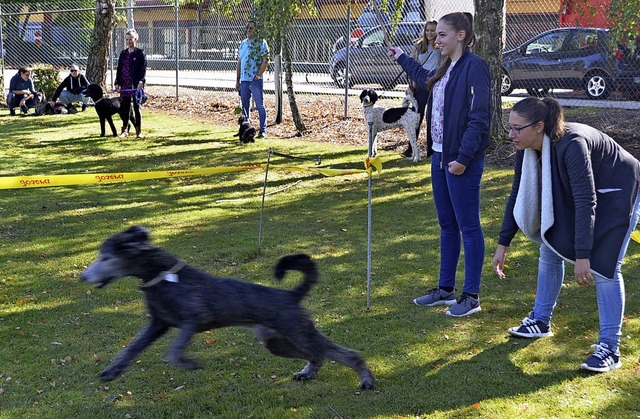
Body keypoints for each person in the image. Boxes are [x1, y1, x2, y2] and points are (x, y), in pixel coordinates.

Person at [492, 96, 640, 372]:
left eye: (516, 128)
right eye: (508, 127)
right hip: (589, 194)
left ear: (538, 126)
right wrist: (503, 243)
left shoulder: (571, 144)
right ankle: (540, 320)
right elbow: (517, 195)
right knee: (550, 247)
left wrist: (584, 256)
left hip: (619, 189)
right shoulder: (527, 148)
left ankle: (610, 348)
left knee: (606, 267)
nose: (510, 134)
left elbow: (586, 201)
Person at [387, 12, 491, 317]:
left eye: (442, 34)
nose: (436, 39)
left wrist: (463, 158)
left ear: (461, 35)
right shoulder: (446, 65)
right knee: (447, 225)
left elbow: (480, 118)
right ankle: (445, 290)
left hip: (461, 160)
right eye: (436, 34)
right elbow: (424, 79)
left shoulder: (476, 67)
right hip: (440, 156)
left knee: (468, 227)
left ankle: (470, 296)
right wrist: (402, 57)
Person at [402, 20, 440, 159]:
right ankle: (411, 148)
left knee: (433, 118)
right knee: (416, 117)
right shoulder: (418, 46)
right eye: (427, 30)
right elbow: (412, 66)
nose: (430, 33)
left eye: (433, 30)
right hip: (420, 85)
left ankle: (432, 150)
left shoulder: (441, 46)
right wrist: (411, 86)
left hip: (435, 84)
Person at [236, 19, 269, 139]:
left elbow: (265, 60)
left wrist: (259, 74)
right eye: (248, 27)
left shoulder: (261, 43)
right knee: (244, 106)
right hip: (244, 80)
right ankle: (246, 131)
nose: (249, 30)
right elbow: (239, 62)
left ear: (256, 30)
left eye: (252, 28)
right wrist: (237, 80)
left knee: (259, 105)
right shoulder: (243, 44)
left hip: (255, 79)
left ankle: (263, 131)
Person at [115, 28, 147, 138]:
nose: (129, 41)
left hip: (135, 85)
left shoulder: (140, 53)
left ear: (136, 39)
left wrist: (141, 81)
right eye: (127, 39)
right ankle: (125, 130)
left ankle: (139, 131)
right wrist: (117, 83)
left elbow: (143, 69)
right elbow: (119, 69)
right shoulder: (123, 54)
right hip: (125, 85)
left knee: (137, 108)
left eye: (131, 39)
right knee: (125, 108)